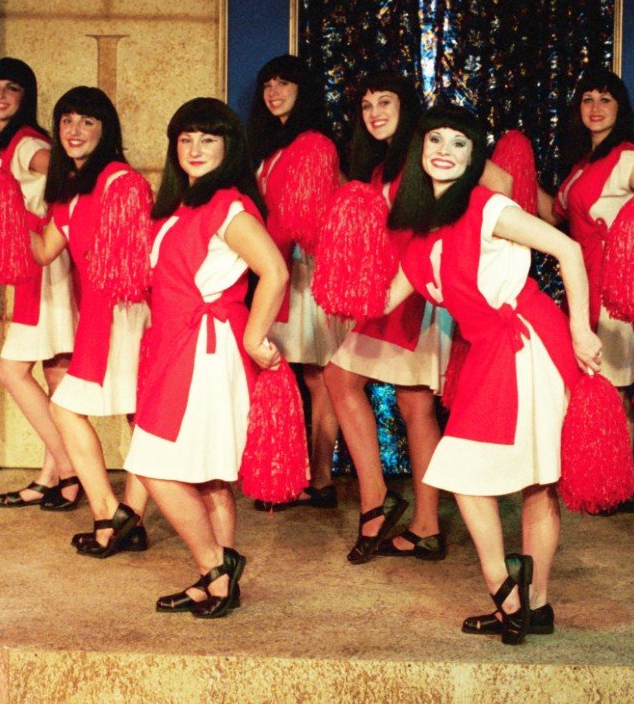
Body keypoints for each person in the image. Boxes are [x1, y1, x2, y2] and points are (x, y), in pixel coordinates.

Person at [386, 105, 603, 645]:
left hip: (529, 341)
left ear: (474, 156)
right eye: (435, 138)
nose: (444, 150)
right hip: (491, 351)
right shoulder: (419, 236)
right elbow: (377, 299)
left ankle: (511, 594)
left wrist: (580, 329)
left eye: (459, 143)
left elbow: (569, 249)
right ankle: (531, 605)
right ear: (419, 150)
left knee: (510, 477)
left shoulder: (487, 207)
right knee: (508, 478)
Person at [125, 99, 288, 618]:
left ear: (228, 148)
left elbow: (276, 271)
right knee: (212, 475)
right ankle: (215, 582)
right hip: (177, 346)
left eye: (208, 140)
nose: (195, 149)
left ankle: (217, 564)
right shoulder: (181, 207)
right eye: (186, 139)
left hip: (204, 352)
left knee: (151, 464)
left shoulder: (230, 206)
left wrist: (254, 337)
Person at [323, 72, 448, 563]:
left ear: (406, 106)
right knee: (400, 399)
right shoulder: (377, 170)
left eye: (385, 101)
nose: (375, 111)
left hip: (415, 294)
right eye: (367, 103)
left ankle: (402, 514)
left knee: (409, 402)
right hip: (391, 292)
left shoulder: (422, 155)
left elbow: (488, 185)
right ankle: (408, 517)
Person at [30, 86, 151, 556]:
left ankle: (114, 515)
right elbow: (43, 251)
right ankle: (123, 519)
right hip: (100, 314)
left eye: (86, 122)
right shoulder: (68, 195)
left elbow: (133, 263)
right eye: (66, 121)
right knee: (130, 413)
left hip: (130, 311)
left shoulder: (123, 181)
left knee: (134, 413)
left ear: (106, 131)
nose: (75, 131)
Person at [0, 59, 83, 512]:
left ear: (25, 97)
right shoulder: (2, 148)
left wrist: (41, 226)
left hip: (46, 267)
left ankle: (70, 469)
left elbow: (71, 173)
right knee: (56, 376)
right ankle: (53, 479)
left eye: (12, 89)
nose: (0, 95)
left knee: (12, 371)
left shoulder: (27, 143)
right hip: (37, 266)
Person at [552, 70, 634, 443]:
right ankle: (599, 478)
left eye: (605, 99)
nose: (595, 108)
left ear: (620, 108)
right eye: (588, 99)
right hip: (584, 285)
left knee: (614, 389)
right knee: (589, 383)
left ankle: (621, 483)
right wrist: (515, 183)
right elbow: (554, 216)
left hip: (616, 292)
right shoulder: (581, 167)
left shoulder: (626, 158)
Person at [248, 55, 343, 510]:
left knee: (320, 374)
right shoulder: (270, 146)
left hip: (309, 269)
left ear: (302, 90)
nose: (273, 91)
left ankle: (320, 478)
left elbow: (314, 214)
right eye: (268, 83)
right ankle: (293, 474)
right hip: (281, 268)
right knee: (298, 373)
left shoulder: (315, 142)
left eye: (284, 83)